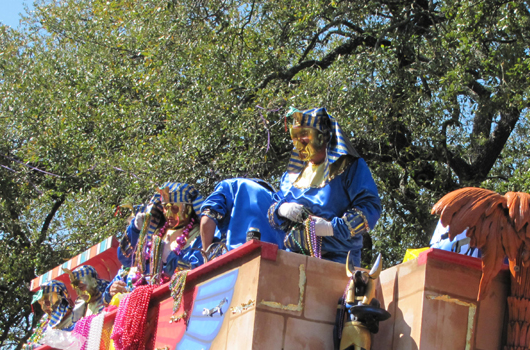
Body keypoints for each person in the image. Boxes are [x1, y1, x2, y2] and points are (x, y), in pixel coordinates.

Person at [200, 107, 381, 264]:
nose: (298, 144)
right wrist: (282, 209)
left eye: (305, 137)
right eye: (295, 137)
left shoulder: (349, 167)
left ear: (323, 136)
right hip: (292, 259)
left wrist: (331, 228)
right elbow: (272, 211)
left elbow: (370, 208)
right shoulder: (290, 176)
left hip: (338, 260)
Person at [105, 183, 207, 302]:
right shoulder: (153, 235)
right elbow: (127, 259)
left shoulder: (199, 236)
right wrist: (135, 229)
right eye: (165, 208)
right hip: (139, 307)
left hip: (178, 302)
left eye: (174, 208)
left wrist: (170, 259)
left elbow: (198, 271)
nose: (168, 214)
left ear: (189, 208)